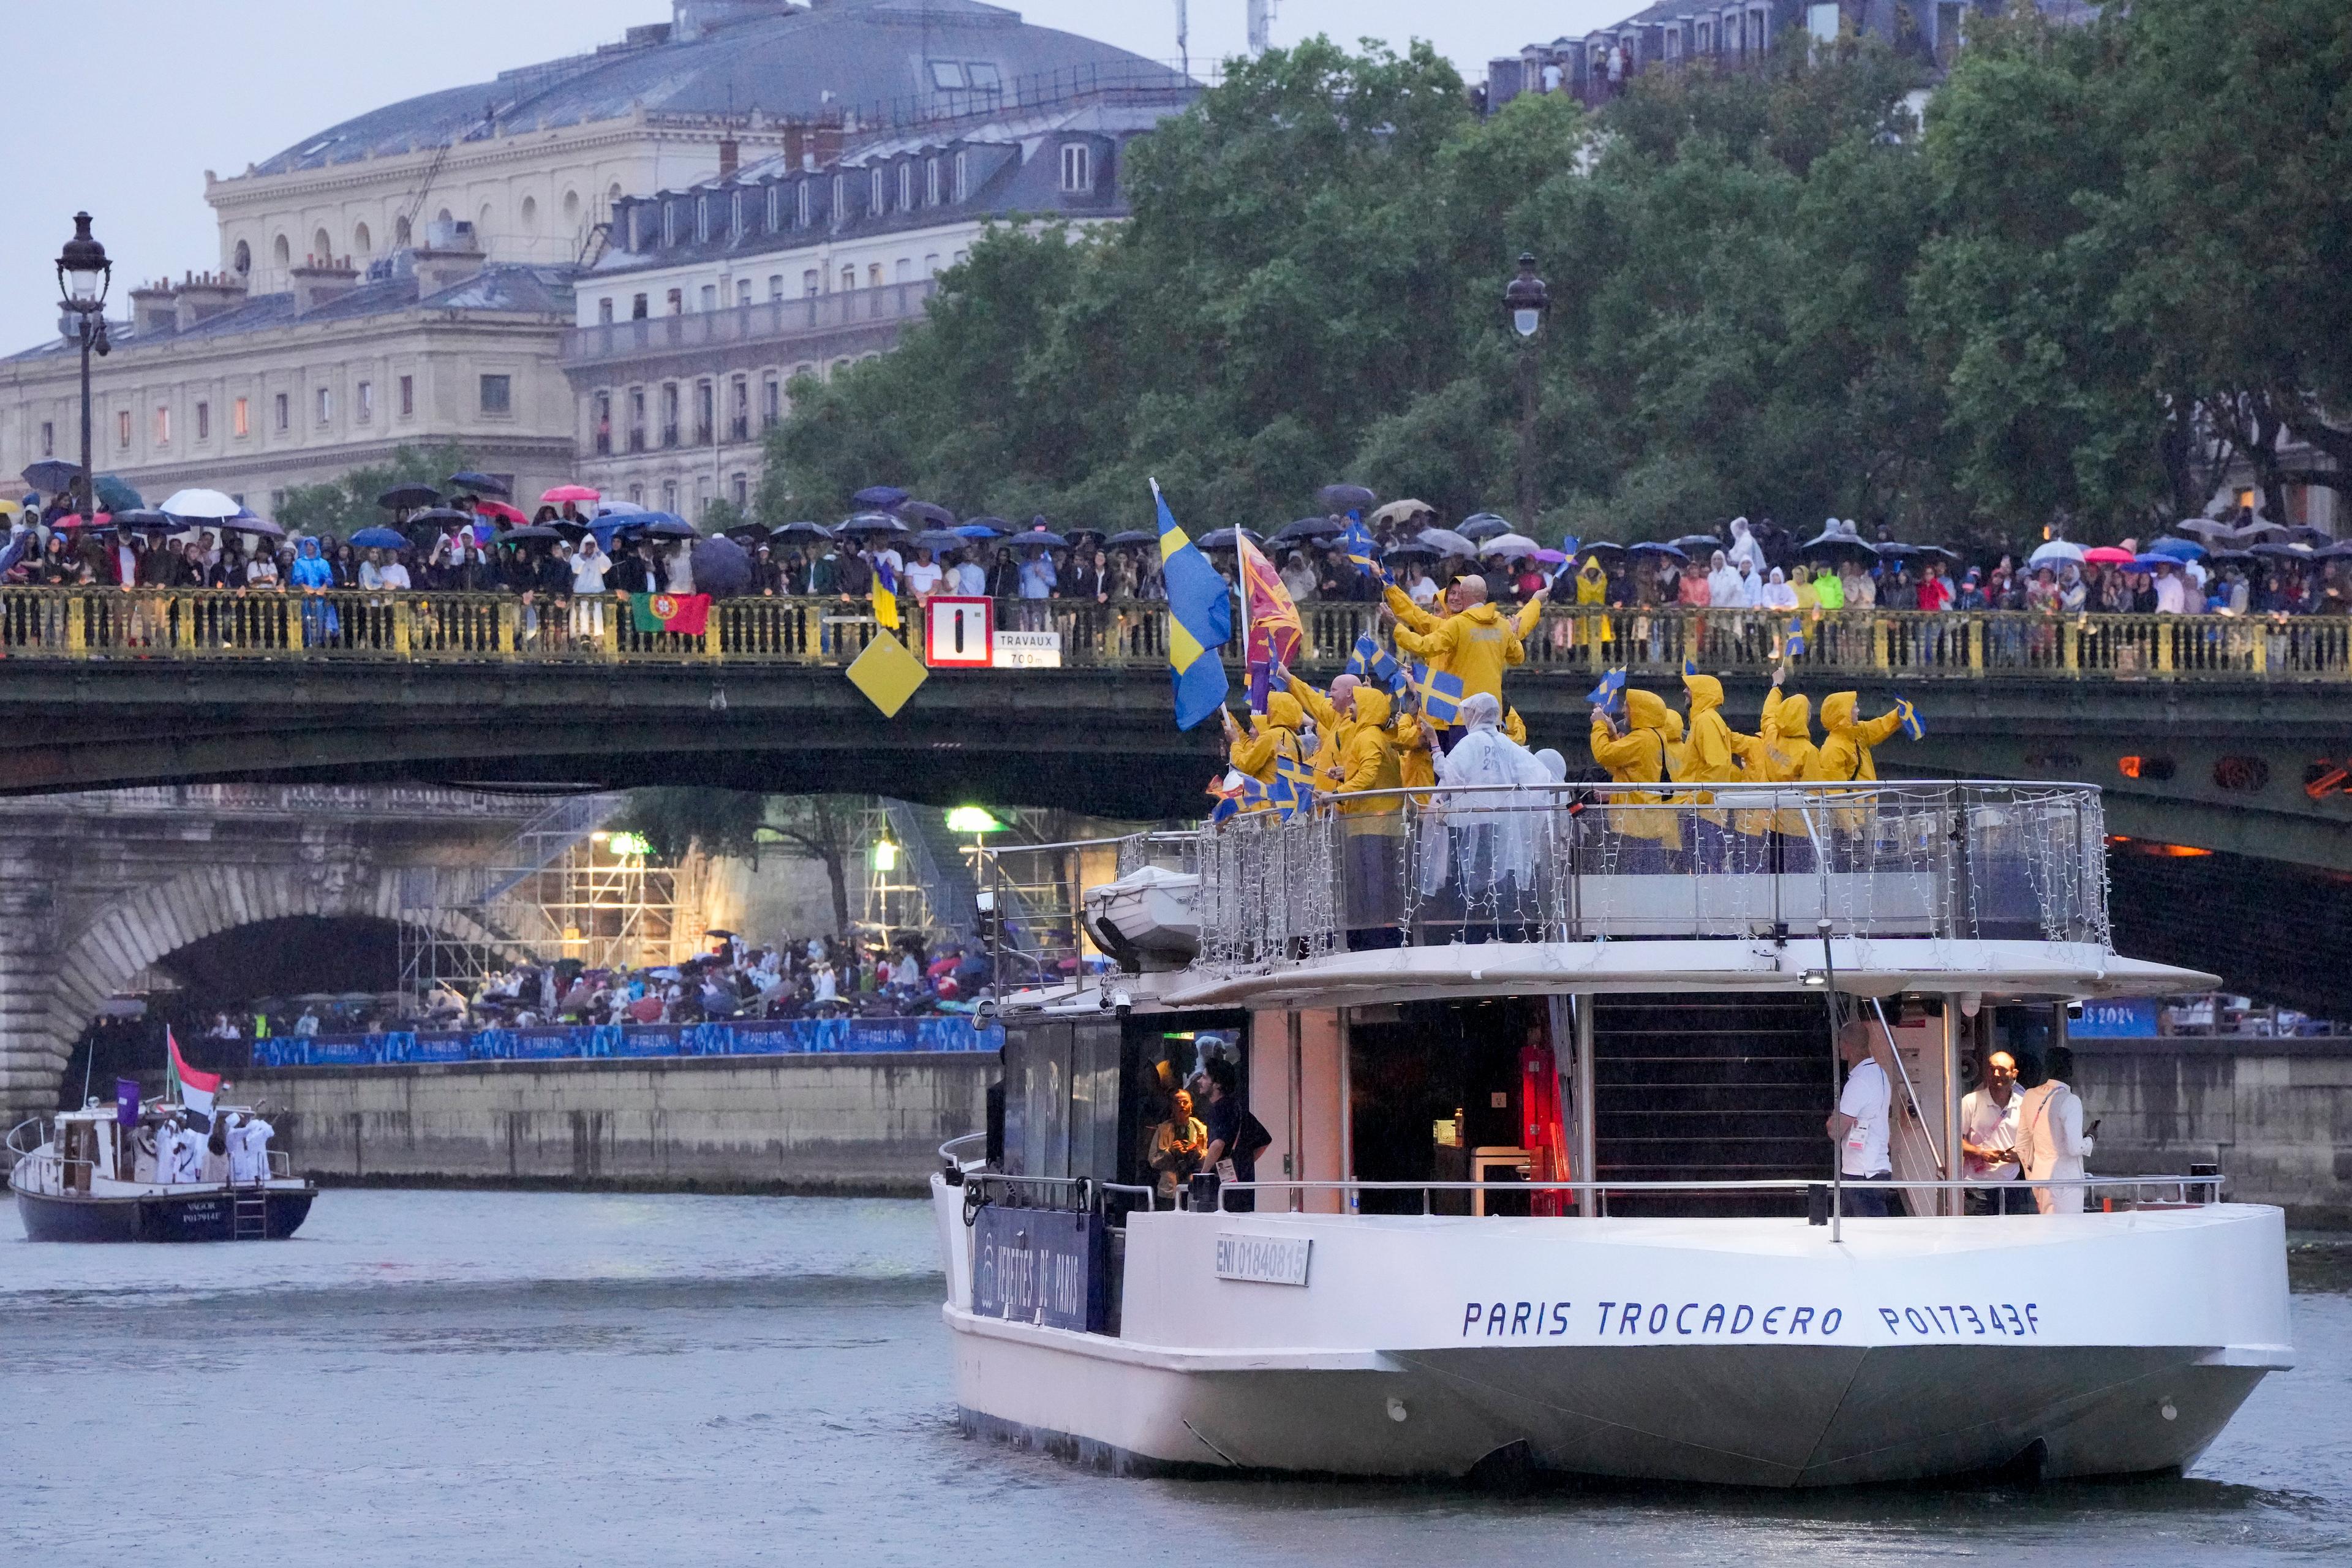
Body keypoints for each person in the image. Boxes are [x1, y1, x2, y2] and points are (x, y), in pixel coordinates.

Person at [1391, 576, 1526, 750]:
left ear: (1463, 596)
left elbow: (1423, 646)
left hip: (1463, 716)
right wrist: (1513, 635)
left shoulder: (1458, 624)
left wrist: (1396, 627)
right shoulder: (1502, 625)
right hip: (1491, 717)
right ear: (1485, 595)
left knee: (1460, 773)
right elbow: (1518, 658)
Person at [2014, 1045, 2095, 1215]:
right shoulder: (2070, 1100)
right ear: (2070, 1070)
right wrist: (2091, 1139)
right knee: (2067, 1234)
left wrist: (2032, 1177)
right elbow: (2075, 1148)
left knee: (2046, 1232)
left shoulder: (2030, 1095)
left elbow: (2021, 1145)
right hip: (2066, 1183)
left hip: (2039, 1180)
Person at [1827, 1022, 1896, 1216]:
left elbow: (1835, 1130)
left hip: (1861, 1172)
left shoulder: (1859, 1082)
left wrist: (1833, 1118)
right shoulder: (1879, 1074)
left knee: (1866, 1235)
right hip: (1876, 1166)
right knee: (1858, 1233)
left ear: (1846, 1045)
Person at [1199, 1061, 1271, 1212]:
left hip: (1222, 1185)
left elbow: (1218, 1144)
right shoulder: (1238, 1108)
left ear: (1217, 1085)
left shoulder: (1217, 1110)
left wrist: (1203, 1174)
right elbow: (1264, 1140)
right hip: (1244, 1184)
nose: (1200, 1081)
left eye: (1205, 1077)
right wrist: (1243, 1162)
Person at [1960, 1051, 2025, 1215]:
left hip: (2012, 1184)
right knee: (1978, 1239)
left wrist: (2020, 1156)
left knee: (2012, 1236)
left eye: (2002, 1070)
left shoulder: (2024, 1103)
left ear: (2014, 1073)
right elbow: (1954, 1142)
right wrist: (1980, 1152)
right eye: (1992, 1069)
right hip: (1977, 1187)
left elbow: (2035, 1141)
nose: (1996, 1074)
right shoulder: (1971, 1101)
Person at [1148, 1087, 1209, 1205]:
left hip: (1193, 1187)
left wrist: (1199, 1154)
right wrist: (1170, 1152)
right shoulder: (1163, 1130)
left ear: (1191, 1105)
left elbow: (1208, 1157)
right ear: (1172, 1107)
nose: (1182, 1105)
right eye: (1177, 1102)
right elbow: (1153, 1160)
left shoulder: (1201, 1129)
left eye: (1185, 1102)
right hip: (1169, 1190)